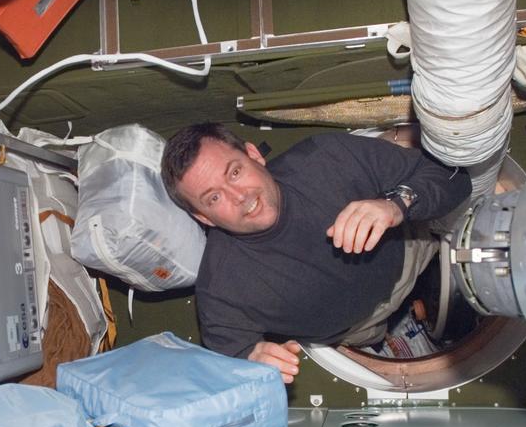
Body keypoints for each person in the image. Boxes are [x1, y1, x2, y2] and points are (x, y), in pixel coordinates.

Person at [160, 123, 471, 383]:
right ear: (203, 218)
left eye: (235, 172)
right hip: (358, 328)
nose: (239, 197)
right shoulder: (222, 290)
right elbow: (226, 360)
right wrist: (247, 361)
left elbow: (454, 177)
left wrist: (398, 203)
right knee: (375, 335)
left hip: (409, 251)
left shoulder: (329, 159)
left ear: (253, 155)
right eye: (214, 198)